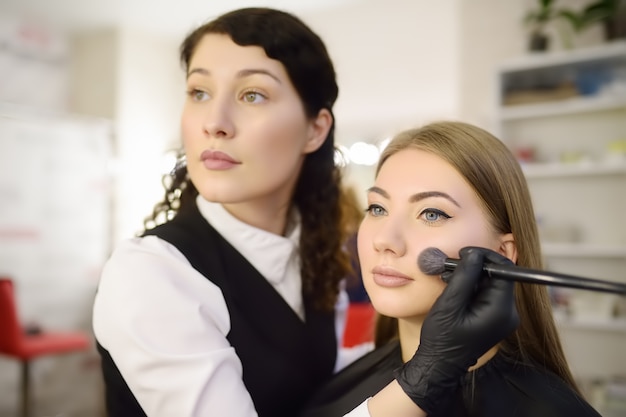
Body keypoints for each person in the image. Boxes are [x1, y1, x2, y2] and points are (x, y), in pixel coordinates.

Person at [92, 8, 518, 417]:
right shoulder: (149, 274)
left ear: (315, 129)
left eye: (252, 94)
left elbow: (328, 387)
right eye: (199, 92)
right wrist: (428, 375)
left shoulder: (315, 254)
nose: (214, 122)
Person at [300, 121, 602, 417]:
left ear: (501, 254)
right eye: (378, 208)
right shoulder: (338, 385)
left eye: (431, 213)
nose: (384, 240)